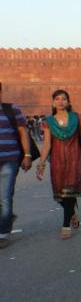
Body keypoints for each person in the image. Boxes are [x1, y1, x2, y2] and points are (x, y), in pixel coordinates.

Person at [35, 89, 81, 240]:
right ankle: (72, 213)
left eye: (63, 99)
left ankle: (65, 226)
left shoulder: (77, 118)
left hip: (74, 159)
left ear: (68, 102)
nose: (60, 101)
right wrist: (41, 164)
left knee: (69, 192)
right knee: (59, 195)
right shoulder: (48, 121)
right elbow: (46, 145)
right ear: (53, 102)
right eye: (57, 99)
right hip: (57, 161)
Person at [0, 82, 33, 248]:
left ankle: (3, 232)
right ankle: (6, 218)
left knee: (4, 196)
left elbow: (22, 132)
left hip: (9, 160)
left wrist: (27, 155)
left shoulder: (12, 109)